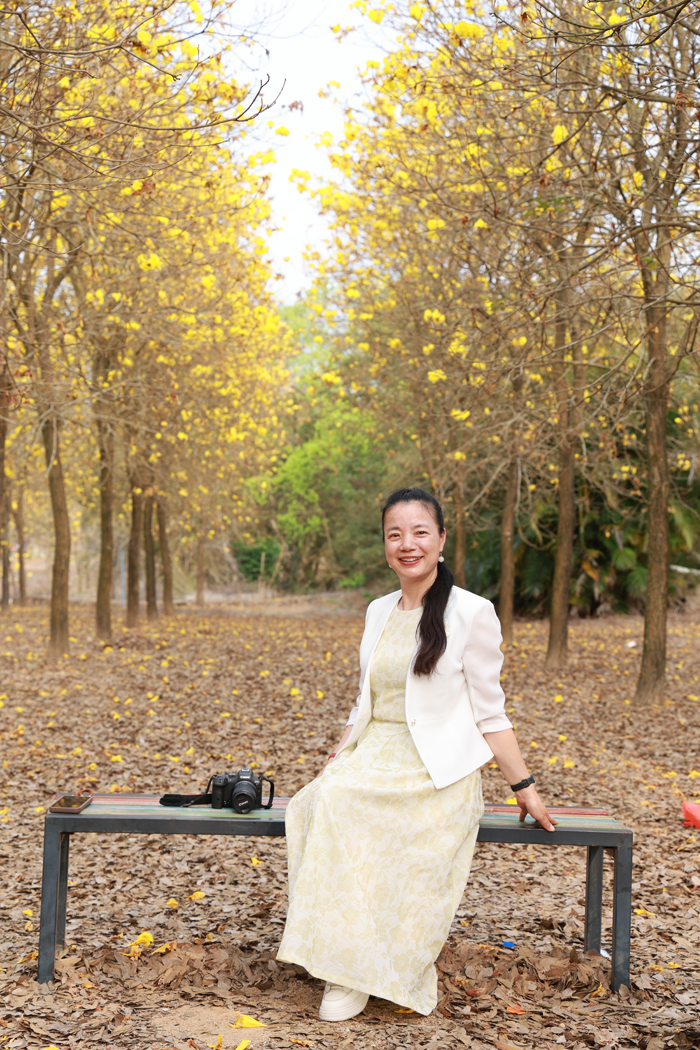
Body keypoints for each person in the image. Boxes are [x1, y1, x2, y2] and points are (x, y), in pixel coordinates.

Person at [277, 487, 556, 1022]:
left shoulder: (471, 612)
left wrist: (523, 786)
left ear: (441, 539)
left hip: (434, 767)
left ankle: (381, 965)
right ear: (385, 545)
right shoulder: (378, 610)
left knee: (368, 821)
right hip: (373, 752)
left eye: (420, 532)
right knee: (324, 801)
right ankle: (345, 965)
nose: (407, 544)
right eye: (395, 534)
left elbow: (490, 713)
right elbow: (366, 698)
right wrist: (341, 752)